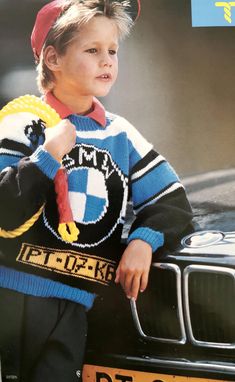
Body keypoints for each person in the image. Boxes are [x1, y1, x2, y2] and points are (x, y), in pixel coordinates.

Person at [0, 0, 193, 381]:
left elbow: (172, 200)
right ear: (52, 58)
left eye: (112, 51)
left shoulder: (120, 134)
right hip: (11, 296)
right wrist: (48, 156)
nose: (107, 61)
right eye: (92, 50)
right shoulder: (24, 122)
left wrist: (144, 241)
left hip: (76, 304)